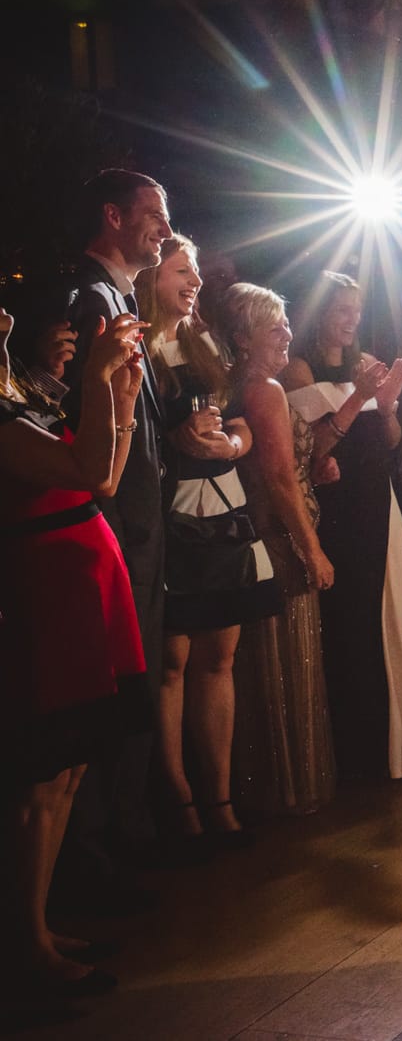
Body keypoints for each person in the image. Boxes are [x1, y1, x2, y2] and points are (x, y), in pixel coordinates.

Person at [2, 303, 147, 997]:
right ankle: (25, 942)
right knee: (43, 772)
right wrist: (95, 373)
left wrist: (119, 397)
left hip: (82, 581)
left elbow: (107, 478)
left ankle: (39, 925)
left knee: (69, 770)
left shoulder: (17, 396)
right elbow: (88, 469)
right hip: (48, 590)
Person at [53, 169, 173, 910]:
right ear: (113, 216)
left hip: (138, 524)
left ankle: (125, 836)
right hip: (116, 527)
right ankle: (102, 855)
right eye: (154, 215)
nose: (164, 227)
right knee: (117, 690)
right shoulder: (90, 301)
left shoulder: (122, 298)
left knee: (136, 686)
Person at [137, 235, 280, 850]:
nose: (194, 280)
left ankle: (219, 799)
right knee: (171, 665)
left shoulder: (207, 343)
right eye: (180, 269)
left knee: (220, 659)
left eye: (196, 269)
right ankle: (180, 802)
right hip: (169, 517)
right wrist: (176, 441)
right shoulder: (133, 346)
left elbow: (242, 424)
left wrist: (233, 446)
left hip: (223, 508)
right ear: (151, 275)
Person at [282, 271, 402, 782]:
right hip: (333, 506)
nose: (351, 319)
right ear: (320, 311)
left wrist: (387, 404)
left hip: (376, 500)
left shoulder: (365, 364)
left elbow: (389, 441)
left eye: (357, 309)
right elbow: (313, 450)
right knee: (345, 622)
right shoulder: (298, 369)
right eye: (342, 309)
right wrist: (355, 398)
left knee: (384, 615)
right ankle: (350, 751)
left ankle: (387, 747)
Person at [225, 283, 338, 815]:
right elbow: (277, 479)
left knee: (260, 667)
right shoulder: (265, 389)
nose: (287, 334)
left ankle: (262, 789)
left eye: (287, 324)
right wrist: (312, 549)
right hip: (280, 538)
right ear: (243, 338)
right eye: (274, 327)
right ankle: (291, 790)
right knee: (290, 661)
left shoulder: (235, 383)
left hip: (256, 537)